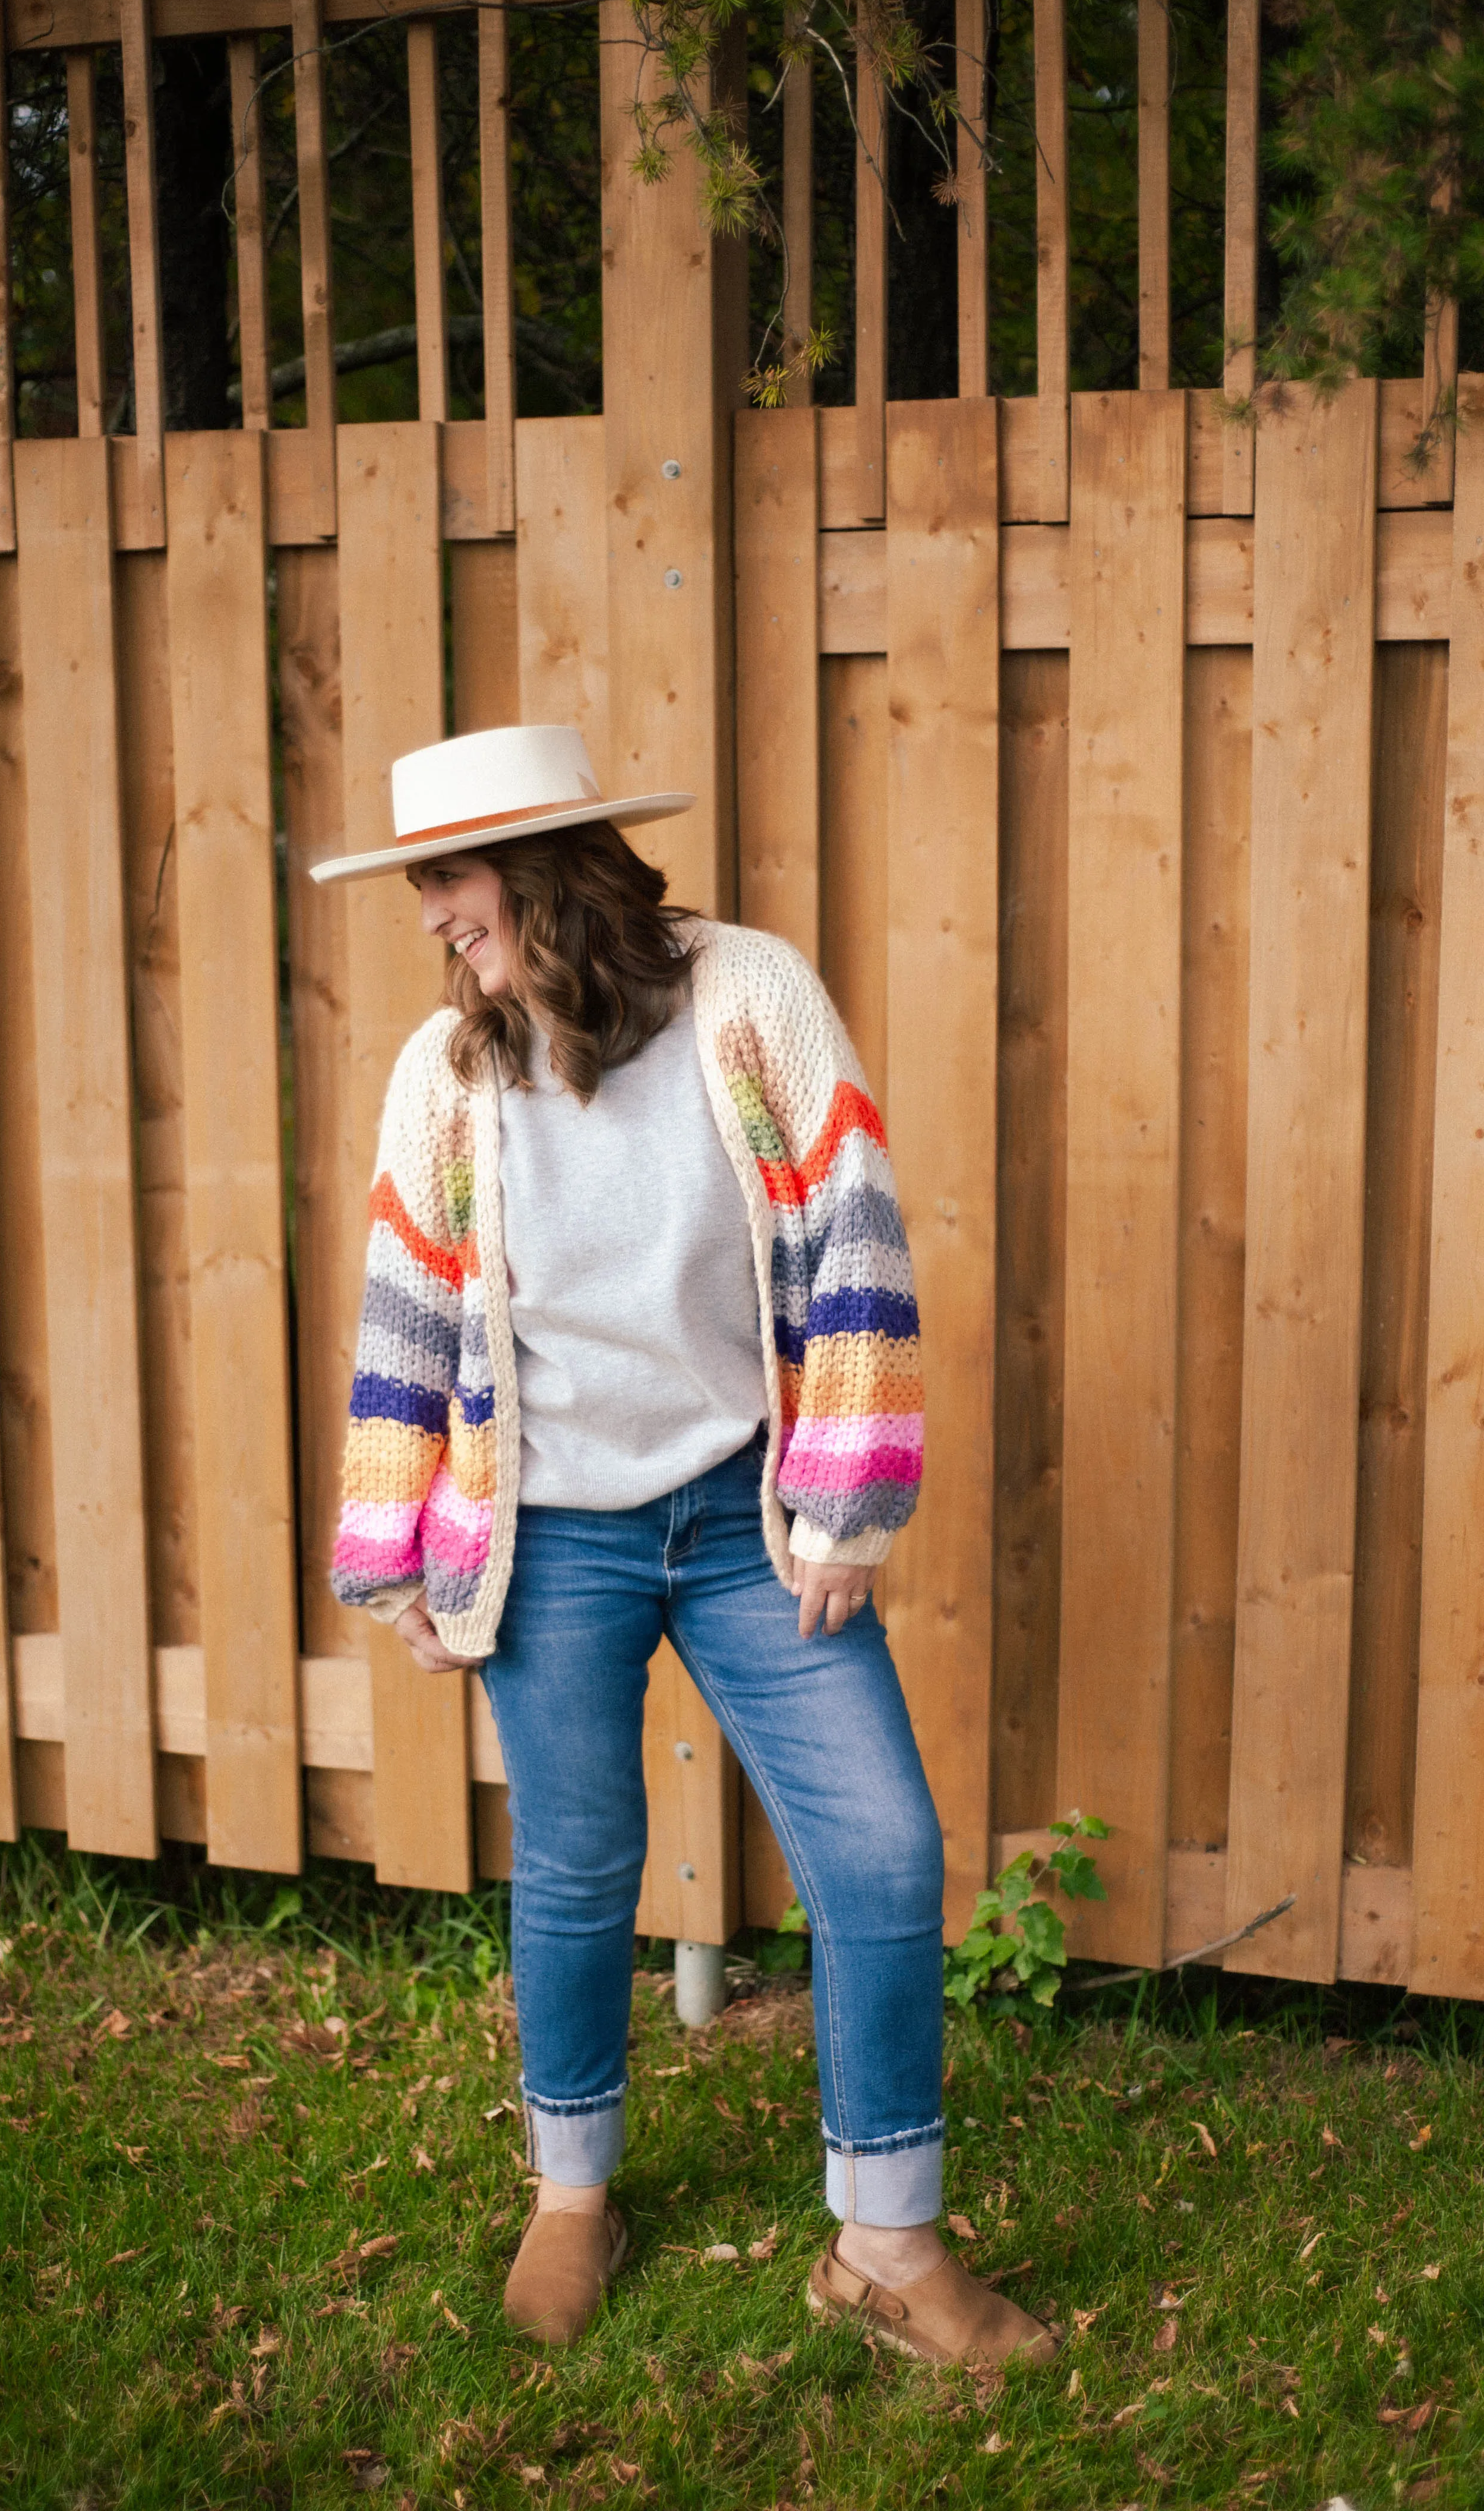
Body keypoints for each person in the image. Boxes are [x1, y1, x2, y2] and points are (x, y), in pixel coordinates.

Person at [312, 725, 1058, 2372]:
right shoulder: (448, 1072)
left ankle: (885, 2247)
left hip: (742, 1511)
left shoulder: (749, 999)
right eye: (422, 884)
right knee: (578, 1872)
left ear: (551, 868)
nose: (434, 914)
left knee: (879, 1851)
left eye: (450, 878)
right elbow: (409, 1308)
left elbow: (852, 1226)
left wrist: (849, 1501)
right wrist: (392, 1553)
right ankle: (572, 2196)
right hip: (549, 1531)